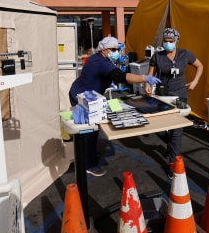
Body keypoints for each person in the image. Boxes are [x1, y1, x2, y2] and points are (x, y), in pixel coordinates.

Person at [69, 36, 161, 176]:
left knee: (91, 130)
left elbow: (104, 74)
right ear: (104, 50)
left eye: (118, 49)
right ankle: (89, 164)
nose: (117, 52)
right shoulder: (101, 62)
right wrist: (145, 78)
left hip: (86, 93)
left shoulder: (98, 58)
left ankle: (88, 155)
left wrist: (106, 82)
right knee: (89, 131)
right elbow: (121, 76)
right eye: (113, 50)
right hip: (82, 98)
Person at [145, 28, 204, 179]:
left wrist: (195, 81)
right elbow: (150, 75)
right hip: (163, 96)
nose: (168, 44)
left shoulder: (185, 54)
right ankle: (169, 143)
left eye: (171, 41)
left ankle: (172, 162)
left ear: (176, 41)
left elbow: (200, 65)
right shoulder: (157, 57)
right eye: (165, 41)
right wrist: (147, 85)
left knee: (177, 130)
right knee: (159, 127)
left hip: (181, 96)